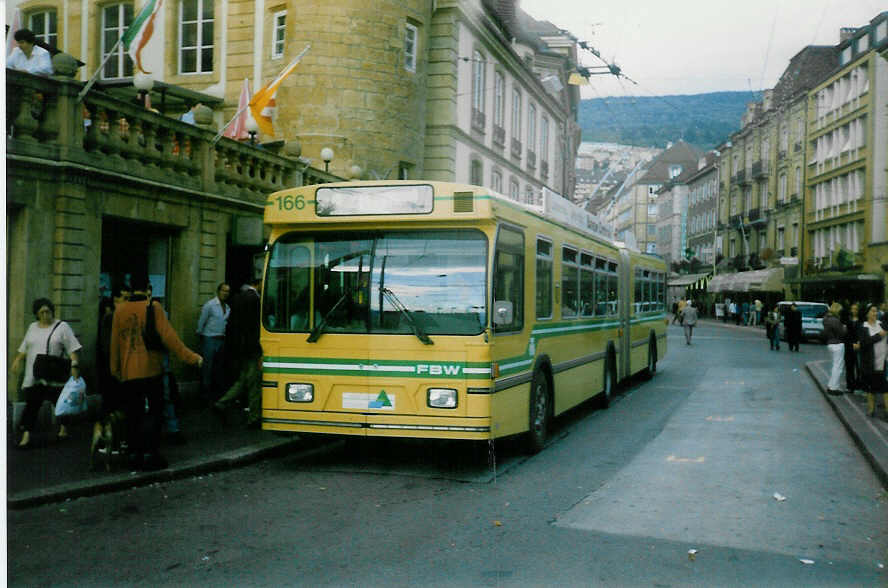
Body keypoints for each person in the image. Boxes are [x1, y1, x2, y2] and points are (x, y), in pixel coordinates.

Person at [110, 274, 202, 470]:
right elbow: (170, 338)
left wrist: (115, 369)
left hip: (128, 371)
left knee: (133, 414)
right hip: (152, 369)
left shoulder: (120, 310)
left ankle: (134, 454)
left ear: (131, 287)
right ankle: (151, 454)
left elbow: (115, 344)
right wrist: (192, 357)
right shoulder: (154, 308)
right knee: (154, 413)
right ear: (148, 287)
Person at [10, 298, 82, 448]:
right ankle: (26, 436)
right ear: (36, 314)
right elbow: (25, 347)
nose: (45, 315)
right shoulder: (32, 327)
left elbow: (73, 348)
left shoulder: (62, 327)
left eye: (47, 311)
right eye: (41, 312)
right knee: (32, 405)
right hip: (35, 374)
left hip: (53, 374)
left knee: (60, 404)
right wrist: (17, 360)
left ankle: (64, 428)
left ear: (52, 311)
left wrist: (74, 366)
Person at [214, 277, 263, 428]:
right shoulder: (254, 299)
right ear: (258, 284)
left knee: (243, 379)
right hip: (252, 347)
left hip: (240, 347)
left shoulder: (237, 297)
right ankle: (254, 417)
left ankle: (222, 403)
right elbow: (254, 327)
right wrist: (258, 349)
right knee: (254, 382)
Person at [196, 282, 231, 402]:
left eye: (227, 291)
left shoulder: (227, 308)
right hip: (209, 338)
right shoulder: (210, 305)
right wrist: (200, 334)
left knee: (218, 367)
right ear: (218, 291)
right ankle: (204, 394)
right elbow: (201, 321)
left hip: (221, 339)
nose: (225, 293)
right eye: (223, 291)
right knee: (207, 367)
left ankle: (215, 394)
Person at [856, 303, 888, 418]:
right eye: (872, 311)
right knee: (871, 388)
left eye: (876, 311)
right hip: (870, 363)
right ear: (867, 313)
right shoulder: (863, 327)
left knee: (885, 387)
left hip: (882, 361)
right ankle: (871, 410)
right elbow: (864, 343)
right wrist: (879, 336)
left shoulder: (882, 325)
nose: (875, 313)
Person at [823, 302, 847, 395]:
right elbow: (841, 333)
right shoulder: (835, 320)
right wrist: (844, 328)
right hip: (837, 343)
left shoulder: (826, 319)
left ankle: (831, 385)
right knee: (838, 367)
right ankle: (834, 387)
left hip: (830, 343)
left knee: (834, 365)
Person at [843, 302, 862, 394]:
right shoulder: (847, 320)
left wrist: (859, 342)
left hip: (859, 346)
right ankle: (850, 386)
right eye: (852, 309)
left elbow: (863, 333)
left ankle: (858, 385)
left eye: (856, 309)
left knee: (859, 368)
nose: (854, 311)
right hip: (849, 346)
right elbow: (846, 335)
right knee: (849, 367)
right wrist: (851, 344)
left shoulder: (861, 321)